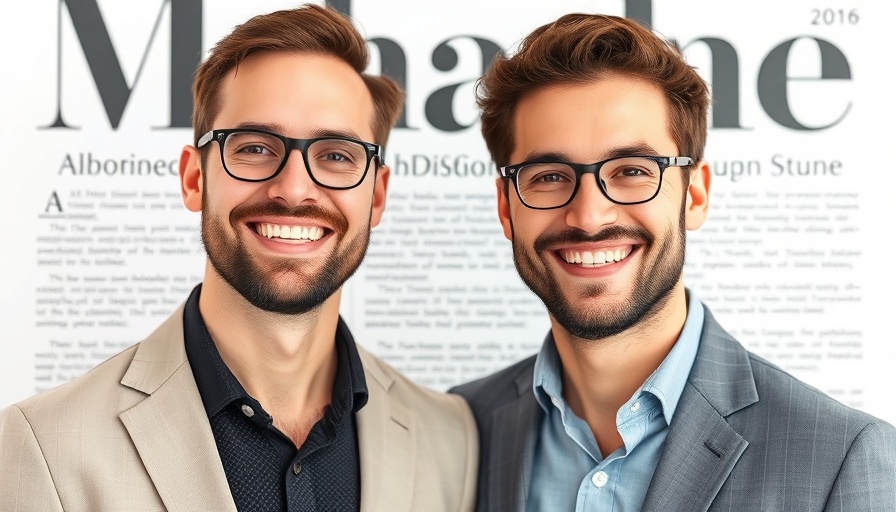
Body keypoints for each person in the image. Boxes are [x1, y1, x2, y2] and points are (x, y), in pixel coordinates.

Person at [0, 5, 477, 511]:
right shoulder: (43, 446)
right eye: (253, 147)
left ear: (376, 196)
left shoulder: (453, 440)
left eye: (336, 155)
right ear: (194, 179)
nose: (294, 189)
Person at [450, 13, 896, 512]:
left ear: (695, 195)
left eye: (633, 170)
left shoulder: (840, 457)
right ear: (505, 207)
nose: (589, 216)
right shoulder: (458, 426)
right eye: (549, 176)